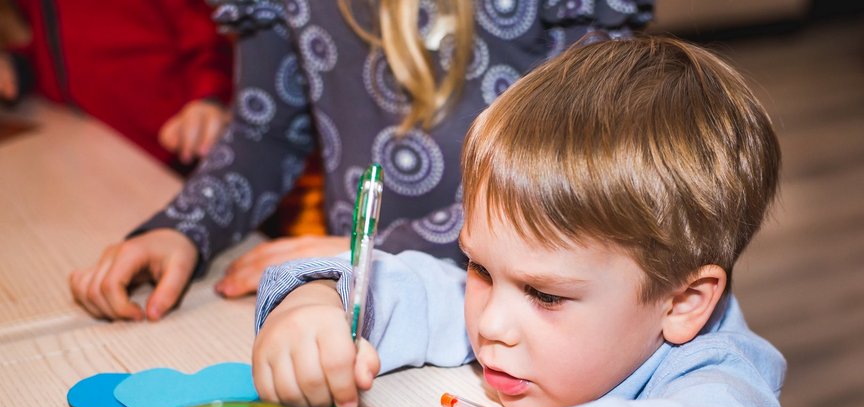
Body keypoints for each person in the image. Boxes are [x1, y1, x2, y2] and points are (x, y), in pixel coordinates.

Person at [251, 35, 812, 407]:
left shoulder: (720, 374)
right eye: (479, 268)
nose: (490, 323)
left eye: (544, 295)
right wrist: (314, 303)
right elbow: (420, 289)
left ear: (683, 303)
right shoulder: (522, 307)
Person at [67, 0, 653, 322]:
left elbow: (588, 166)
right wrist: (185, 228)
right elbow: (266, 132)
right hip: (364, 302)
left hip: (543, 310)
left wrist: (382, 249)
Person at [0, 0, 232, 168]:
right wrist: (20, 67)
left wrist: (209, 97)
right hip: (86, 146)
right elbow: (59, 48)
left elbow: (208, 41)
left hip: (168, 152)